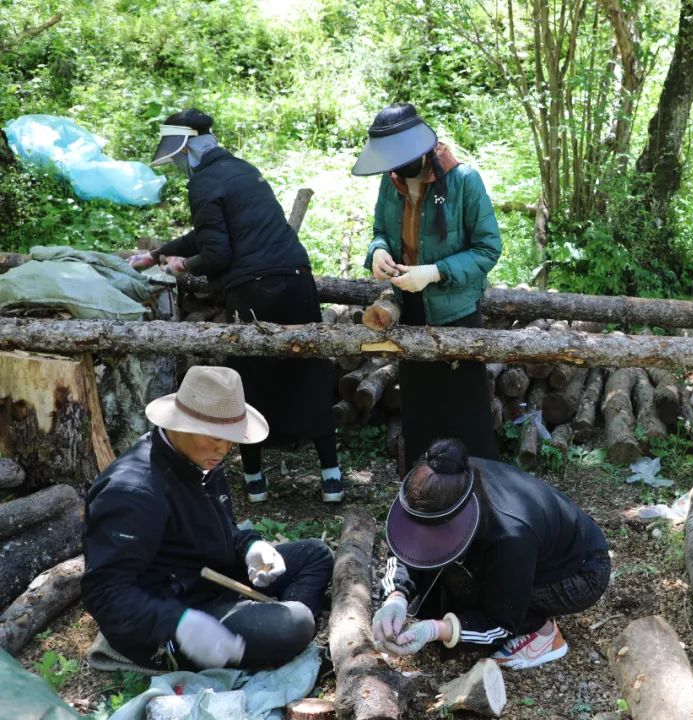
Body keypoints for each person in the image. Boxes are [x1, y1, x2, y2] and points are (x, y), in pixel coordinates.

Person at [129, 108, 342, 503]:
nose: (178, 165)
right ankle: (332, 478)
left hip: (254, 291)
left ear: (188, 148)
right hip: (297, 279)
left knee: (250, 378)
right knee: (310, 369)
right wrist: (159, 253)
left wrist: (184, 267)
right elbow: (211, 231)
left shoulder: (204, 183)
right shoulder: (242, 169)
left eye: (178, 158)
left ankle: (255, 480)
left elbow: (217, 253)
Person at [82, 366, 334, 671]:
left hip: (213, 579)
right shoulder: (133, 492)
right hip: (171, 620)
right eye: (216, 437)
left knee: (315, 555)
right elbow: (104, 592)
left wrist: (251, 546)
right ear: (181, 424)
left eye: (231, 439)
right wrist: (179, 623)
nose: (224, 449)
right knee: (292, 625)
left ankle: (273, 629)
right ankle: (275, 633)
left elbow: (219, 527)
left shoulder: (201, 458)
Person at [369, 439, 610, 670]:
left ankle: (542, 634)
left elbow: (500, 623)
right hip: (531, 549)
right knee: (455, 583)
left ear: (456, 521)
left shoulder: (509, 536)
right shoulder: (449, 476)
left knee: (476, 594)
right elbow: (406, 547)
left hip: (582, 573)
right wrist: (395, 596)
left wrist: (436, 629)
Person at [353, 103, 501, 470]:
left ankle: (478, 487)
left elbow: (487, 249)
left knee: (465, 412)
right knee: (420, 408)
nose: (395, 167)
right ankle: (423, 486)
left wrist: (434, 271)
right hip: (411, 311)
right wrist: (378, 252)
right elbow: (380, 233)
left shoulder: (464, 181)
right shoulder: (391, 184)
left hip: (456, 314)